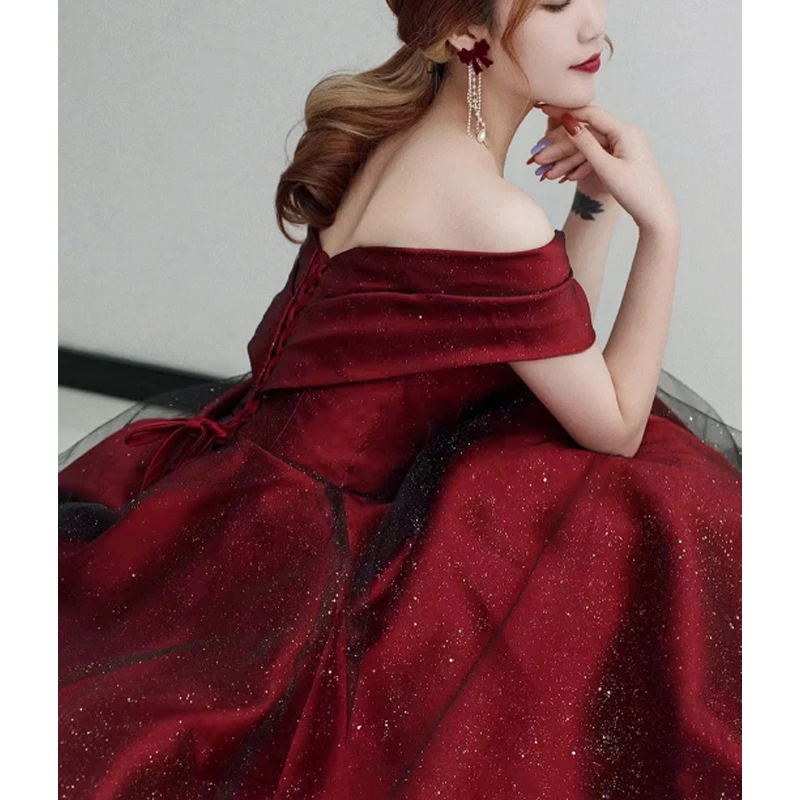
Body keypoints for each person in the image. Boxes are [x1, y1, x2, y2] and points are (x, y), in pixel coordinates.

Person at [58, 1, 741, 797]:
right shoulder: (484, 208)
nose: (594, 26)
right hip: (315, 551)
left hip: (251, 494)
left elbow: (554, 348)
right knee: (660, 497)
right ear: (466, 33)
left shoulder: (400, 140)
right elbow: (615, 425)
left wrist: (594, 202)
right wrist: (662, 227)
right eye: (554, 3)